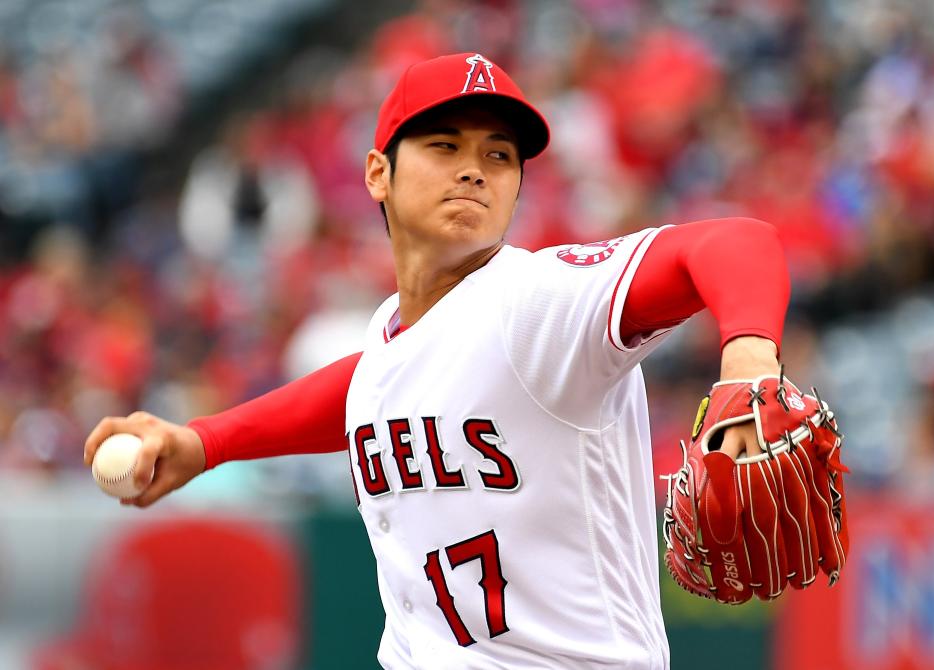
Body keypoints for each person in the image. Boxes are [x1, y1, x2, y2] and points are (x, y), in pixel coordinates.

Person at [85, 53, 791, 669]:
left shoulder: (540, 301)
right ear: (377, 174)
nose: (474, 172)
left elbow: (735, 243)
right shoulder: (398, 336)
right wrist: (203, 442)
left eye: (498, 156)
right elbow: (372, 386)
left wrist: (750, 362)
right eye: (444, 145)